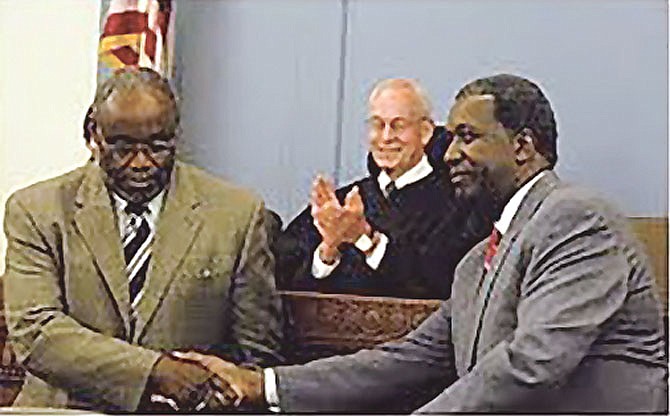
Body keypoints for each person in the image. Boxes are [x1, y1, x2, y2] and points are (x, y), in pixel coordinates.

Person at [179, 73, 668, 413]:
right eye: (452, 138)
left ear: (522, 146)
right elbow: (405, 359)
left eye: (468, 137)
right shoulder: (479, 260)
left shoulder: (575, 218)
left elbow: (530, 365)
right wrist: (259, 384)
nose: (451, 153)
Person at [2, 67, 283, 412]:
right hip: (64, 408)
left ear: (176, 136)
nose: (141, 163)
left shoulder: (237, 214)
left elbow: (256, 356)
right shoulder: (37, 210)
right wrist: (155, 371)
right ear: (94, 134)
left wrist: (220, 392)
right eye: (123, 148)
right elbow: (37, 334)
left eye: (158, 146)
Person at [277, 78, 488, 299]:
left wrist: (366, 239)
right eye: (377, 125)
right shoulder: (344, 202)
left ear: (425, 132)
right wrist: (329, 247)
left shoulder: (459, 203)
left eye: (398, 126)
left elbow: (444, 284)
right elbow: (288, 286)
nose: (386, 137)